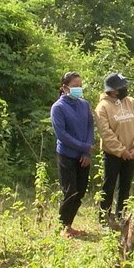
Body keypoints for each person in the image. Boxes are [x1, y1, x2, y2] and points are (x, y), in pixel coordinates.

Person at [94, 72, 134, 226]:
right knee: (108, 186)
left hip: (131, 153)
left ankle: (121, 217)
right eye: (123, 86)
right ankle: (104, 219)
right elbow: (106, 132)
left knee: (125, 186)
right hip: (112, 154)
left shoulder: (132, 102)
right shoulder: (102, 107)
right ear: (114, 89)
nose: (126, 88)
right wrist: (121, 150)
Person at [50, 71, 95, 238]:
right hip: (66, 155)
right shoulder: (58, 108)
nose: (79, 89)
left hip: (83, 155)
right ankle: (63, 226)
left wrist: (86, 151)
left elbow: (90, 127)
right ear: (64, 88)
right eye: (75, 86)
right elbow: (62, 135)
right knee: (70, 191)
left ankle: (69, 224)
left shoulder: (84, 104)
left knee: (81, 191)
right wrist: (84, 146)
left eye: (80, 86)